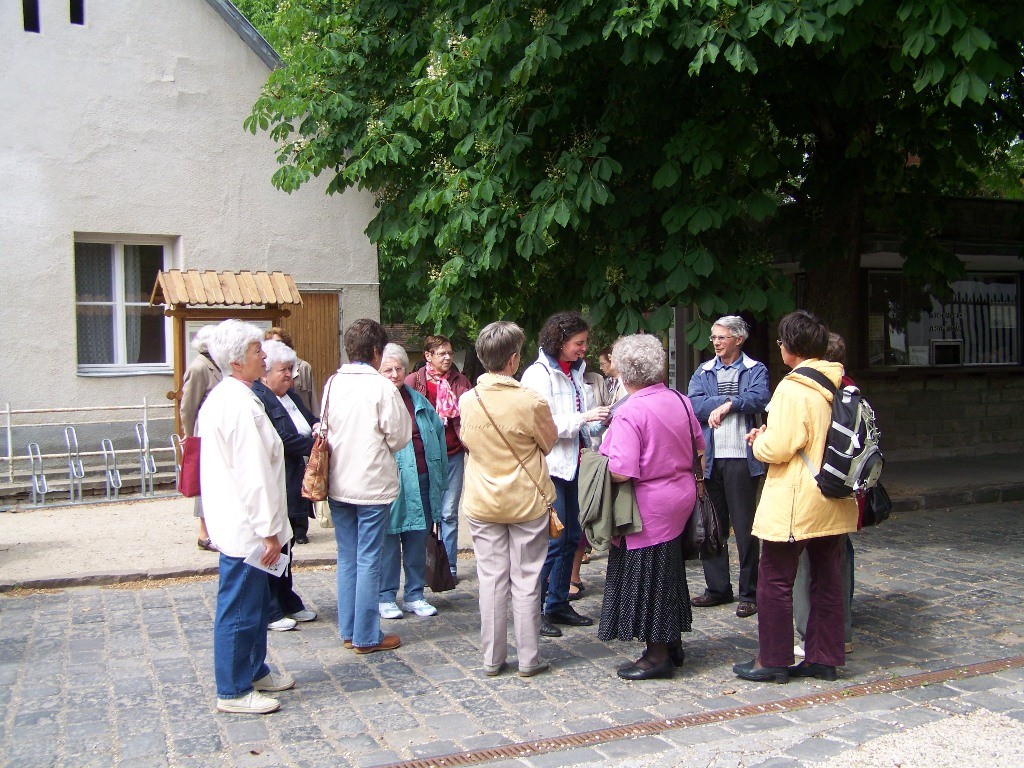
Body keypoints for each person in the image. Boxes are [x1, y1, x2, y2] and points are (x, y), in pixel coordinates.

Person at [734, 310, 858, 684]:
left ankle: (772, 659)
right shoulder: (838, 382)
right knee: (826, 578)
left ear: (792, 348)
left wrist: (759, 442)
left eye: (781, 342)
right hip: (832, 494)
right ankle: (824, 657)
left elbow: (780, 446)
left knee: (774, 578)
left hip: (796, 498)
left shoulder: (793, 387)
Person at [198, 319, 295, 715]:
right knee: (239, 608)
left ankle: (253, 669)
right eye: (258, 350)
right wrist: (269, 531)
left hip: (247, 523)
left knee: (254, 605)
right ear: (238, 361)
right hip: (247, 527)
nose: (264, 355)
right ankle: (233, 689)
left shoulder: (237, 395)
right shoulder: (236, 403)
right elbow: (254, 474)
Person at [597, 335, 704, 680]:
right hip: (680, 495)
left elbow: (621, 470)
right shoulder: (679, 399)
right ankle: (672, 643)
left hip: (647, 506)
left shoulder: (630, 411)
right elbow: (699, 447)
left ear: (623, 373)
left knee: (648, 577)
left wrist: (595, 467)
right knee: (668, 572)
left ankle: (656, 655)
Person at [459, 321, 558, 677]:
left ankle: (492, 657)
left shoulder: (467, 400)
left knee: (491, 579)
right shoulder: (531, 401)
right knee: (528, 578)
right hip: (525, 500)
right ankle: (529, 658)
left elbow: (468, 442)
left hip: (483, 500)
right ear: (514, 359)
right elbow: (548, 442)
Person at [324, 320, 412, 654]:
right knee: (369, 559)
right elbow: (399, 436)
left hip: (338, 482)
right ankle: (365, 635)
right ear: (376, 352)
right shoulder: (382, 388)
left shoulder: (333, 382)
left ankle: (349, 630)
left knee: (347, 558)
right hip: (372, 484)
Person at [521, 311, 609, 638]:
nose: (584, 348)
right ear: (560, 341)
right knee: (553, 542)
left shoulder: (576, 372)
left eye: (585, 343)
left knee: (572, 537)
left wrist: (599, 423)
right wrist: (584, 418)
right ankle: (536, 608)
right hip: (551, 468)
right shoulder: (538, 376)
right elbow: (540, 427)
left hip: (574, 466)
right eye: (579, 343)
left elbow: (581, 421)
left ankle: (558, 603)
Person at [687, 315, 771, 619]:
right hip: (711, 460)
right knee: (713, 526)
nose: (716, 343)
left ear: (738, 339)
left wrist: (729, 405)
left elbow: (760, 398)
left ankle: (750, 592)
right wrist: (729, 400)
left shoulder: (755, 369)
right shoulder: (704, 371)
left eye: (721, 337)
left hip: (742, 458)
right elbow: (693, 404)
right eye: (714, 337)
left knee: (746, 529)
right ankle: (717, 588)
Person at [794, 332, 856, 657]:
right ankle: (842, 632)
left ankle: (807, 636)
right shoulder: (852, 390)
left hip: (814, 485)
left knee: (807, 566)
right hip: (845, 485)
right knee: (840, 559)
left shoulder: (811, 390)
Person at [251, 339, 320, 633]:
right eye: (284, 370)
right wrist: (315, 441)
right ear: (266, 372)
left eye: (292, 370)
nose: (291, 376)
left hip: (294, 480)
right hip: (277, 480)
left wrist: (318, 428)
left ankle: (286, 596)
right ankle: (270, 606)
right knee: (272, 547)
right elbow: (281, 439)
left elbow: (310, 420)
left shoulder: (290, 395)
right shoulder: (261, 398)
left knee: (287, 544)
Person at [377, 343, 448, 620]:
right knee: (390, 542)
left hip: (422, 481)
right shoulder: (377, 400)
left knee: (418, 541)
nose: (394, 374)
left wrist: (439, 479)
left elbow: (439, 440)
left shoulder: (420, 402)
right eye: (388, 369)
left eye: (399, 368)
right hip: (390, 484)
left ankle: (415, 594)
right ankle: (385, 596)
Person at [405, 335, 472, 582]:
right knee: (425, 513)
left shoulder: (459, 381)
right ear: (428, 356)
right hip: (424, 456)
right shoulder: (413, 382)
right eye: (441, 353)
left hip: (452, 455)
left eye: (449, 353)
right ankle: (425, 567)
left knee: (449, 513)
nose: (447, 358)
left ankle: (449, 567)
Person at [180, 325, 222, 553]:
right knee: (205, 482)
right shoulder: (199, 367)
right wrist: (189, 436)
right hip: (203, 434)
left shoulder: (217, 365)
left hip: (217, 433)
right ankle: (204, 533)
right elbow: (187, 407)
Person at [264, 327, 319, 416]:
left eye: (279, 343)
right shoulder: (264, 369)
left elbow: (313, 401)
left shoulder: (303, 367)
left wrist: (316, 423)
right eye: (271, 343)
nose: (276, 347)